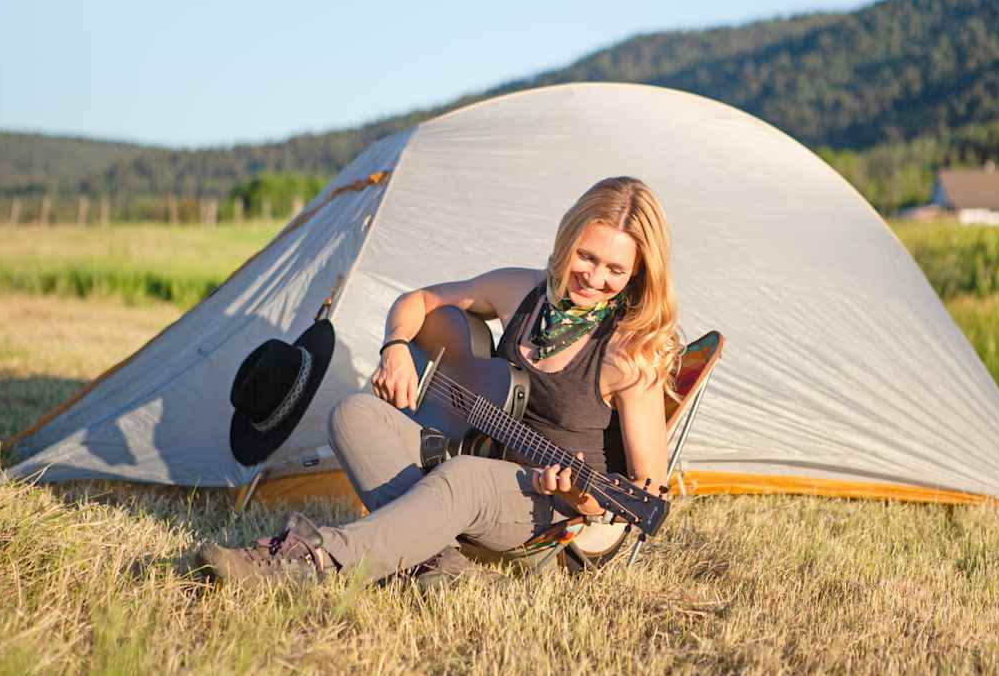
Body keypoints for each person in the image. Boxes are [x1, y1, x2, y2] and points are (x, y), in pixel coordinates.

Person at [202, 176, 681, 587]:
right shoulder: (520, 291)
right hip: (470, 457)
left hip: (545, 509)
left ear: (639, 272)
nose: (594, 277)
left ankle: (312, 560)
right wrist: (395, 350)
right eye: (586, 256)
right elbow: (418, 301)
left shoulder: (631, 354)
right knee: (352, 413)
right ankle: (437, 565)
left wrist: (582, 497)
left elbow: (647, 487)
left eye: (616, 269)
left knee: (464, 477)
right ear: (567, 238)